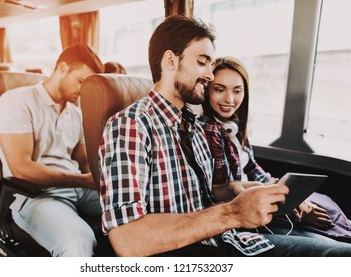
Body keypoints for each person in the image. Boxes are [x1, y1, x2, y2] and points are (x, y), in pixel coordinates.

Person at [99, 15, 351, 257]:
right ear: (170, 61)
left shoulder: (193, 126)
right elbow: (127, 239)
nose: (209, 74)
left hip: (227, 240)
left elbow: (192, 198)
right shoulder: (131, 125)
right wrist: (233, 213)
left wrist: (233, 189)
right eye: (202, 62)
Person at [199, 56, 351, 241]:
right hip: (250, 206)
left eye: (237, 91)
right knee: (328, 230)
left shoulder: (234, 126)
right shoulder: (209, 132)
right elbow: (230, 194)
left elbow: (253, 169)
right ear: (207, 91)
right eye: (219, 89)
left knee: (325, 202)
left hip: (263, 193)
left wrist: (285, 189)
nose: (229, 99)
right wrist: (292, 208)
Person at [0, 44, 104, 257]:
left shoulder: (77, 111)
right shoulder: (16, 101)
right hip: (34, 195)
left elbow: (84, 162)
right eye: (81, 81)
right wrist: (83, 180)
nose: (83, 90)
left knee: (142, 208)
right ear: (62, 68)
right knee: (78, 241)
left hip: (78, 188)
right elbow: (22, 169)